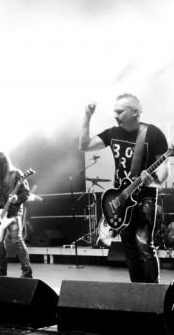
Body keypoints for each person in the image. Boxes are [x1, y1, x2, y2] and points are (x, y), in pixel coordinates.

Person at [79, 93, 169, 283]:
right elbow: (84, 146)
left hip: (145, 197)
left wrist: (151, 179)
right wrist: (87, 116)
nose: (115, 115)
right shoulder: (112, 133)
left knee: (144, 245)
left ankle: (153, 293)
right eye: (115, 111)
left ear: (135, 112)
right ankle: (135, 291)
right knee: (129, 248)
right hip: (121, 197)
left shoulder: (153, 134)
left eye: (120, 112)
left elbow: (163, 174)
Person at [0, 148, 33, 278]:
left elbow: (26, 193)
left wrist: (17, 198)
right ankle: (1, 269)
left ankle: (27, 271)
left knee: (17, 240)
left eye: (1, 163)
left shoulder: (16, 174)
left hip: (13, 212)